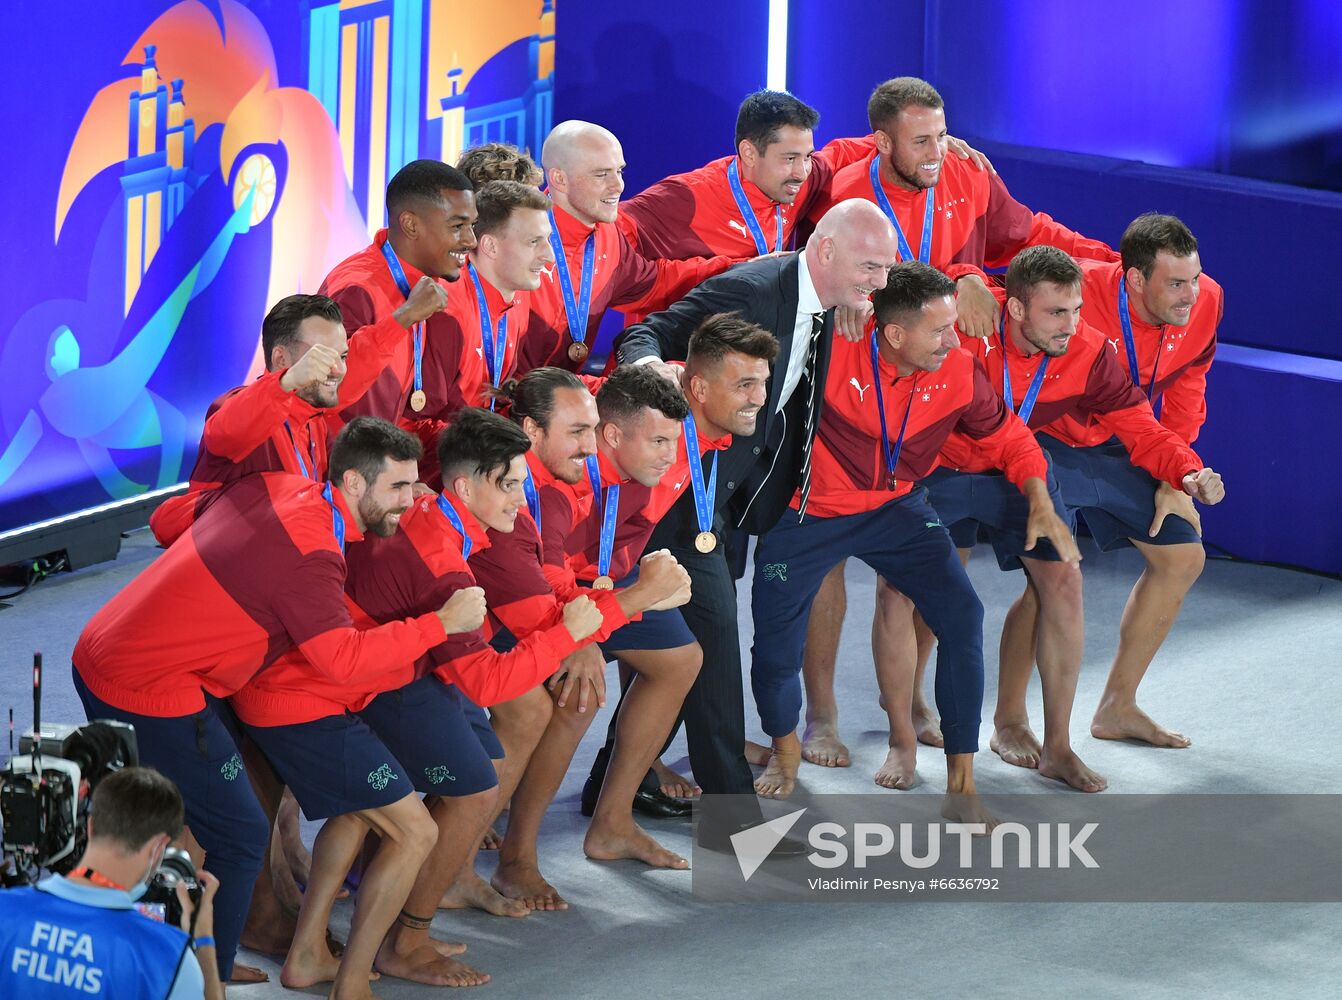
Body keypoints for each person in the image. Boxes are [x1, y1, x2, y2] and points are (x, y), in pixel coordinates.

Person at [233, 408, 622, 988]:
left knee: (367, 807)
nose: (521, 498)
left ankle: (319, 947)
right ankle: (395, 949)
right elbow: (488, 682)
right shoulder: (443, 561)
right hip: (336, 689)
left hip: (358, 678)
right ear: (463, 486)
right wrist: (604, 616)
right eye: (510, 484)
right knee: (444, 808)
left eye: (523, 481)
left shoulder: (426, 512)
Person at [800, 75, 1122, 771]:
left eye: (943, 135)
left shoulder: (968, 172)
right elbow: (822, 267)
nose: (939, 152)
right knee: (823, 560)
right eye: (922, 141)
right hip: (858, 382)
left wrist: (1105, 265)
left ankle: (937, 711)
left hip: (939, 397)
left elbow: (1025, 233)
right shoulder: (845, 185)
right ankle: (819, 715)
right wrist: (926, 282)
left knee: (970, 571)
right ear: (882, 141)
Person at [69, 417, 465, 980]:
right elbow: (342, 660)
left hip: (109, 646)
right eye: (398, 488)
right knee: (240, 832)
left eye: (414, 484)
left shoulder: (279, 486)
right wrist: (438, 624)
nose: (413, 499)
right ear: (352, 484)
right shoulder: (314, 558)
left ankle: (190, 958)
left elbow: (181, 515)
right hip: (148, 683)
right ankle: (210, 980)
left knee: (183, 820)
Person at [748, 260, 1076, 816]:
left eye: (954, 325)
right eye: (941, 329)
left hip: (896, 507)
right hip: (808, 513)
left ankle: (961, 786)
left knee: (962, 614)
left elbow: (1007, 436)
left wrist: (1039, 497)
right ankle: (785, 751)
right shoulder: (825, 348)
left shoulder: (960, 369)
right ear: (894, 333)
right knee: (775, 650)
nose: (956, 339)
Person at [911, 247, 1222, 792]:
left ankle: (1063, 743)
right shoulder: (964, 332)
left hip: (1028, 464)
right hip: (947, 466)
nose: (1072, 324)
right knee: (926, 586)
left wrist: (1187, 471)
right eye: (1058, 313)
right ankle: (911, 718)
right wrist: (965, 277)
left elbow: (1144, 428)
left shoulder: (1088, 348)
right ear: (1015, 309)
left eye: (1076, 311)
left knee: (1065, 580)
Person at [982, 229, 1224, 755]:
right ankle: (1008, 719)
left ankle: (1118, 704)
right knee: (1050, 579)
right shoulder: (1081, 290)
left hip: (1124, 441)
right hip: (1045, 440)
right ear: (1135, 280)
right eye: (1177, 283)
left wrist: (1174, 475)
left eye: (1196, 279)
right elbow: (1010, 278)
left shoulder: (1208, 301)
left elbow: (1187, 387)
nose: (1191, 294)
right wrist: (963, 281)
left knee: (1183, 553)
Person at [463, 376, 692, 907]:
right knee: (564, 695)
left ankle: (605, 824)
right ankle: (500, 853)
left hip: (549, 601)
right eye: (580, 432)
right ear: (530, 430)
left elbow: (556, 572)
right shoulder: (521, 493)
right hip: (472, 623)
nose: (590, 447)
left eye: (591, 430)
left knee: (676, 658)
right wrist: (626, 605)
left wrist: (589, 620)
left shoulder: (561, 475)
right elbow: (533, 594)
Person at [582, 313, 780, 817]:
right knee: (700, 653)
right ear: (697, 386)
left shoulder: (704, 422)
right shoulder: (645, 421)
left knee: (693, 654)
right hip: (594, 563)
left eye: (762, 382)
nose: (759, 397)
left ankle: (616, 792)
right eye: (745, 385)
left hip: (682, 528)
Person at [537, 365, 701, 868]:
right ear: (610, 435)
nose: (670, 457)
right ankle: (519, 854)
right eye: (657, 442)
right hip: (548, 591)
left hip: (603, 584)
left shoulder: (636, 469)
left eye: (675, 442)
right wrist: (582, 637)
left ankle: (612, 823)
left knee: (680, 658)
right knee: (578, 698)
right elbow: (540, 569)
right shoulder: (567, 473)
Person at [149, 294, 399, 547]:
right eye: (322, 358)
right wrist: (288, 381)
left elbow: (362, 365)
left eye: (342, 357)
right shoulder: (237, 409)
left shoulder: (313, 418)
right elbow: (228, 428)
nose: (338, 370)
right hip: (235, 573)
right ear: (281, 360)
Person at [518, 121, 738, 372]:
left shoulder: (607, 235)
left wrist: (739, 269)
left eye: (619, 171)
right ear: (559, 179)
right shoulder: (515, 240)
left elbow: (655, 284)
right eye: (601, 174)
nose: (618, 186)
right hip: (498, 401)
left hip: (560, 394)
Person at [0, 767, 223, 1000]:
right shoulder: (168, 959)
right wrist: (204, 942)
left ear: (90, 826)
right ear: (158, 848)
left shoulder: (4, 911)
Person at [320, 159, 478, 428]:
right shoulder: (356, 288)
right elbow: (328, 392)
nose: (471, 240)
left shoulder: (422, 280)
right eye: (457, 227)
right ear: (411, 225)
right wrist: (402, 319)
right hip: (338, 466)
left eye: (472, 225)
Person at [407, 180, 554, 428]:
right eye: (533, 242)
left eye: (547, 240)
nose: (549, 255)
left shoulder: (517, 294)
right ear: (490, 246)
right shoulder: (446, 311)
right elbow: (415, 424)